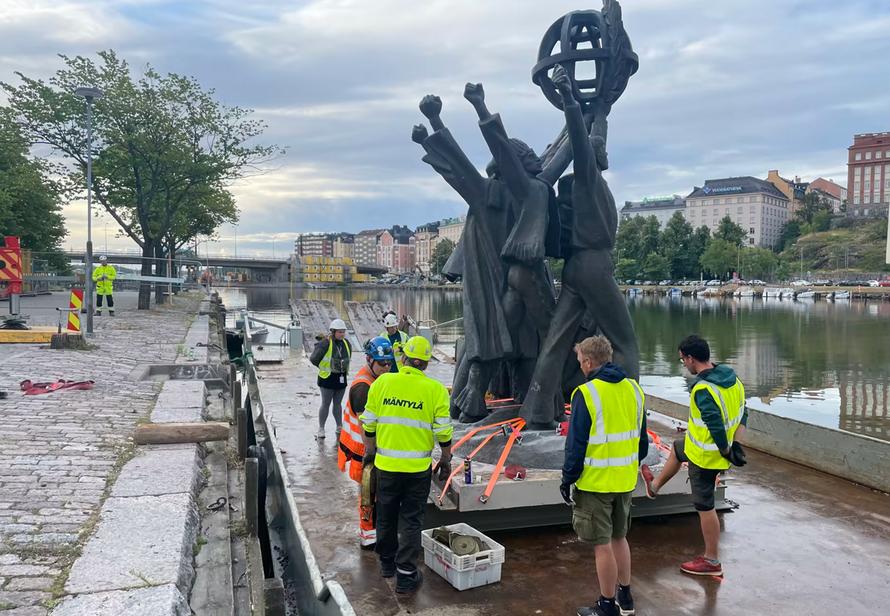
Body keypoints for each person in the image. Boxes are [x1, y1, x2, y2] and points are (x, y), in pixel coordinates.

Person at [521, 64, 640, 429]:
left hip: (574, 268)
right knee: (626, 342)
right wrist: (571, 101)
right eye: (596, 149)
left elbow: (594, 142)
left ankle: (537, 409)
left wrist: (600, 112)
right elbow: (582, 143)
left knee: (556, 342)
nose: (600, 151)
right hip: (593, 266)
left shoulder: (588, 183)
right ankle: (631, 414)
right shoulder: (587, 180)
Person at [641, 334, 747, 577]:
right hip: (704, 448)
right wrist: (738, 444)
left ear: (691, 358)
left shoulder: (703, 389)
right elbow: (744, 413)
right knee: (679, 448)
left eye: (682, 360)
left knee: (705, 506)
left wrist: (726, 451)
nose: (684, 365)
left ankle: (711, 561)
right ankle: (654, 486)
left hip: (706, 456)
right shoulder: (733, 379)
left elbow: (715, 425)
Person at [560, 335, 647, 616]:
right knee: (620, 538)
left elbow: (575, 445)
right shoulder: (634, 390)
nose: (579, 366)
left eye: (579, 361)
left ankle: (606, 605)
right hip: (625, 480)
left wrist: (567, 478)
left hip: (596, 482)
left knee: (602, 544)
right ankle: (626, 597)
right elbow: (641, 442)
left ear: (587, 362)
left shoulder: (586, 394)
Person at [359, 336, 453, 593]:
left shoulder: (383, 383)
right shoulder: (435, 390)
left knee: (385, 515)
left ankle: (387, 564)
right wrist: (446, 459)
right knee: (411, 520)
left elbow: (368, 423)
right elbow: (444, 432)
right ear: (425, 363)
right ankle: (406, 575)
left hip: (386, 466)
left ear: (402, 358)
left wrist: (369, 453)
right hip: (416, 470)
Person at [338, 336, 394, 549]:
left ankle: (374, 533)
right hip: (362, 452)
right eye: (382, 363)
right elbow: (365, 427)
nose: (386, 367)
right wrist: (372, 452)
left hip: (366, 450)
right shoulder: (363, 388)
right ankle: (368, 539)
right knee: (368, 496)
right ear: (370, 360)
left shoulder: (376, 381)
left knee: (373, 495)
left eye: (389, 362)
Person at [309, 318, 351, 440]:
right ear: (333, 332)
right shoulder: (325, 343)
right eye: (339, 332)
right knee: (326, 403)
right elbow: (313, 359)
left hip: (341, 377)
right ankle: (321, 428)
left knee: (337, 404)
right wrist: (323, 367)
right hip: (327, 378)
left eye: (343, 332)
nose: (342, 334)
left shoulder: (346, 343)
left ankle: (339, 426)